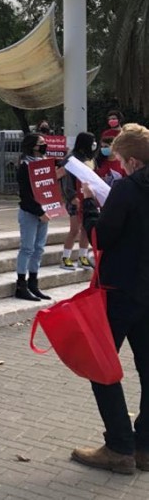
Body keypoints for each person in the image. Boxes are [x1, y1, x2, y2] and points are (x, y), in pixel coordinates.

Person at [72, 123, 149, 474]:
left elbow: (101, 236)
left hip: (120, 292)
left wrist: (89, 206)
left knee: (100, 364)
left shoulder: (128, 190)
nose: (117, 165)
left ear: (132, 161)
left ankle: (119, 446)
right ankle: (145, 445)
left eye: (119, 160)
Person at [14, 132, 61, 301]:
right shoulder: (24, 166)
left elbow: (49, 187)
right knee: (27, 248)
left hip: (44, 212)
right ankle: (21, 284)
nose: (44, 145)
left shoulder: (44, 163)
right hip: (30, 212)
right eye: (41, 142)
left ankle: (33, 282)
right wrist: (40, 212)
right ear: (32, 146)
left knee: (39, 248)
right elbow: (26, 195)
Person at [60, 132, 96, 270]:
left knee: (86, 229)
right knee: (74, 229)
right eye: (91, 141)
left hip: (87, 197)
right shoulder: (71, 158)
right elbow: (66, 180)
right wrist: (71, 196)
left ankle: (82, 256)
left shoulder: (90, 158)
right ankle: (65, 257)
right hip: (75, 198)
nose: (94, 144)